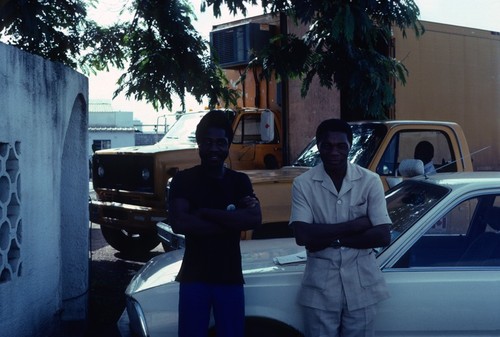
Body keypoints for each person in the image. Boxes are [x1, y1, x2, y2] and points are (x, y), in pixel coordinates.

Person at [290, 118, 392, 337]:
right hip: (320, 290)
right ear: (319, 146)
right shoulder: (304, 184)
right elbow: (303, 235)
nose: (334, 151)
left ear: (350, 146)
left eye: (341, 146)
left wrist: (332, 238)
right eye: (327, 145)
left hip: (362, 286)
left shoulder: (370, 181)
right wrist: (356, 225)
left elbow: (382, 235)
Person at [168, 110, 262, 337]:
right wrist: (231, 221)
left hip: (229, 278)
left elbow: (254, 219)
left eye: (221, 143)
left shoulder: (239, 181)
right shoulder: (184, 180)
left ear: (228, 145)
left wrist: (205, 212)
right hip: (193, 278)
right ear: (199, 144)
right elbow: (179, 222)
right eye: (208, 142)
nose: (214, 149)